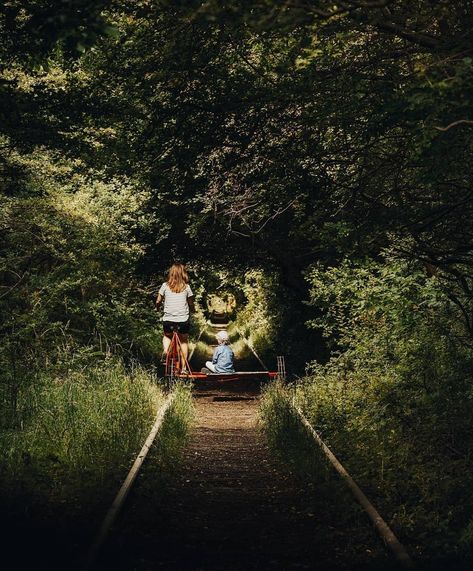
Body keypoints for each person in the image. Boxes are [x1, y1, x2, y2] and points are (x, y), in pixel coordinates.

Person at [155, 263, 195, 370]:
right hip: (183, 320)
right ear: (183, 274)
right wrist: (193, 310)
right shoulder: (187, 287)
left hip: (168, 319)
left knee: (167, 335)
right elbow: (191, 303)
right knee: (183, 341)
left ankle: (165, 351)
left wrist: (157, 308)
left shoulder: (165, 286)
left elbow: (158, 300)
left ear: (171, 273)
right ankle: (184, 369)